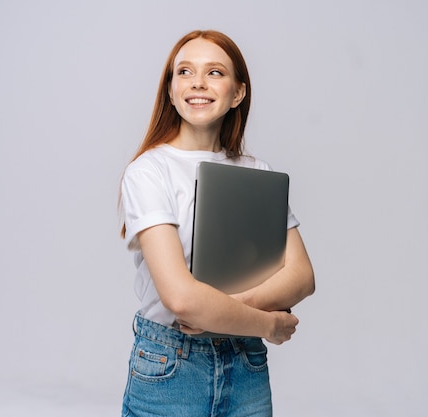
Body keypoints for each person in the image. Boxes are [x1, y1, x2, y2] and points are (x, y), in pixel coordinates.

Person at [119, 29, 315, 417]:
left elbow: (303, 276)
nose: (198, 83)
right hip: (170, 365)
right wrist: (266, 325)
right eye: (185, 72)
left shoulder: (257, 173)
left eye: (215, 73)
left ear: (237, 93)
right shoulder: (148, 172)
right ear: (172, 90)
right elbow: (181, 300)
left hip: (246, 365)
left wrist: (231, 312)